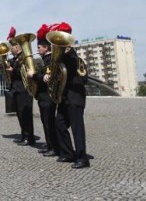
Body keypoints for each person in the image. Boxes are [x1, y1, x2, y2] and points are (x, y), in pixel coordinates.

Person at [46, 22, 90, 168]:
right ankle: (68, 153)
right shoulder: (60, 60)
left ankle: (82, 158)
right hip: (64, 98)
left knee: (77, 128)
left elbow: (84, 79)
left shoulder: (74, 59)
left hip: (75, 98)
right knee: (59, 124)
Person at [28, 24, 58, 157]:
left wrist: (33, 75)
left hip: (48, 96)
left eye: (39, 47)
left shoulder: (50, 60)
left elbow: (47, 78)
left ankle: (54, 147)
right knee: (45, 122)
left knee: (49, 122)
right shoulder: (44, 59)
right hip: (42, 96)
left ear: (46, 48)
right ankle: (49, 144)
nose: (37, 49)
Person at [5, 27, 35, 146]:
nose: (10, 49)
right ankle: (24, 135)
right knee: (20, 114)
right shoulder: (15, 59)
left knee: (26, 114)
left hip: (24, 89)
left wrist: (14, 70)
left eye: (11, 47)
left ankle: (30, 137)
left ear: (17, 47)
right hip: (16, 89)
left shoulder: (25, 57)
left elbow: (27, 71)